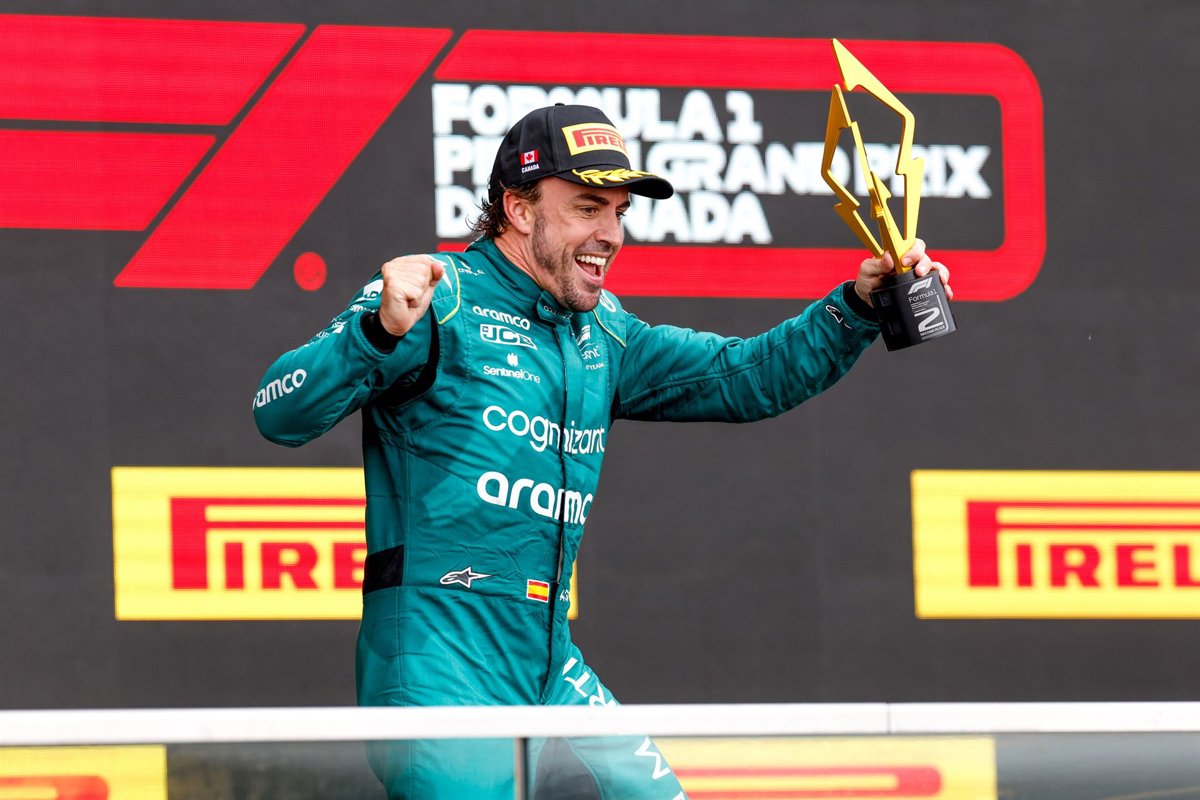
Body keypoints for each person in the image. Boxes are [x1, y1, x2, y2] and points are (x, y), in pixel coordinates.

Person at [254, 103, 951, 799]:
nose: (611, 234)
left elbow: (748, 376)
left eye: (618, 212)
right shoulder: (439, 299)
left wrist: (858, 307)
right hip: (442, 663)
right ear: (518, 210)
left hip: (550, 665)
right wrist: (375, 333)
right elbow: (278, 412)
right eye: (588, 208)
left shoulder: (603, 333)